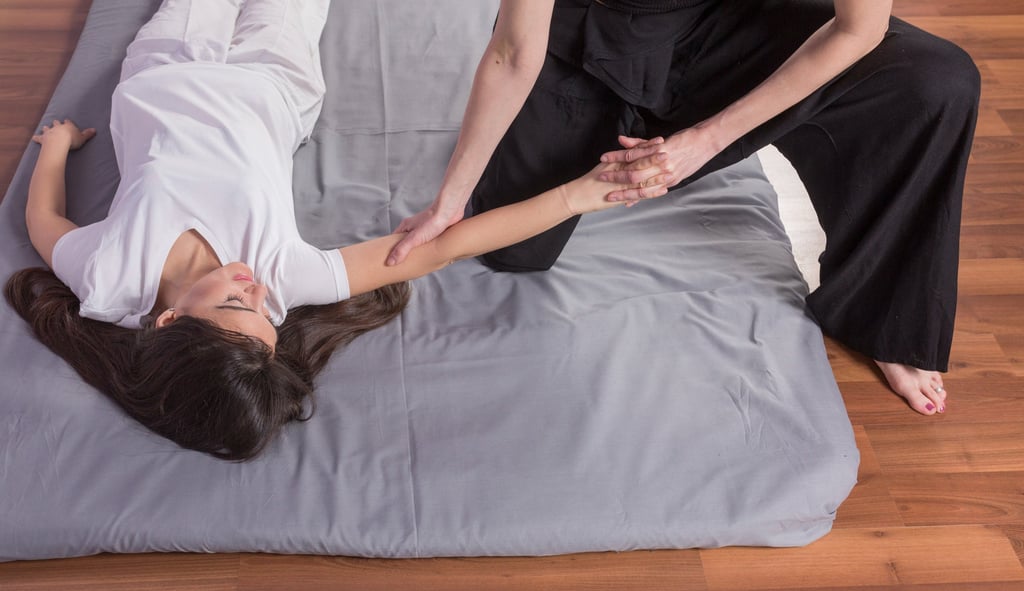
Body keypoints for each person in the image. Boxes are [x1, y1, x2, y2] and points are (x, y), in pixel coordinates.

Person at [5, 0, 664, 461]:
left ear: (170, 321)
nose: (256, 290)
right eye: (266, 314)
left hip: (163, 70)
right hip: (272, 78)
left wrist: (55, 150)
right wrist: (579, 194)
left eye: (236, 302)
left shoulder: (110, 279)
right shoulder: (283, 278)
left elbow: (44, 223)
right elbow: (445, 247)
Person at [387, 0, 982, 417]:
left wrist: (706, 139)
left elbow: (859, 29)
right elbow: (514, 51)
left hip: (727, 25)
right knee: (514, 250)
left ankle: (886, 319)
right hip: (590, 35)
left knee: (936, 82)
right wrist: (449, 200)